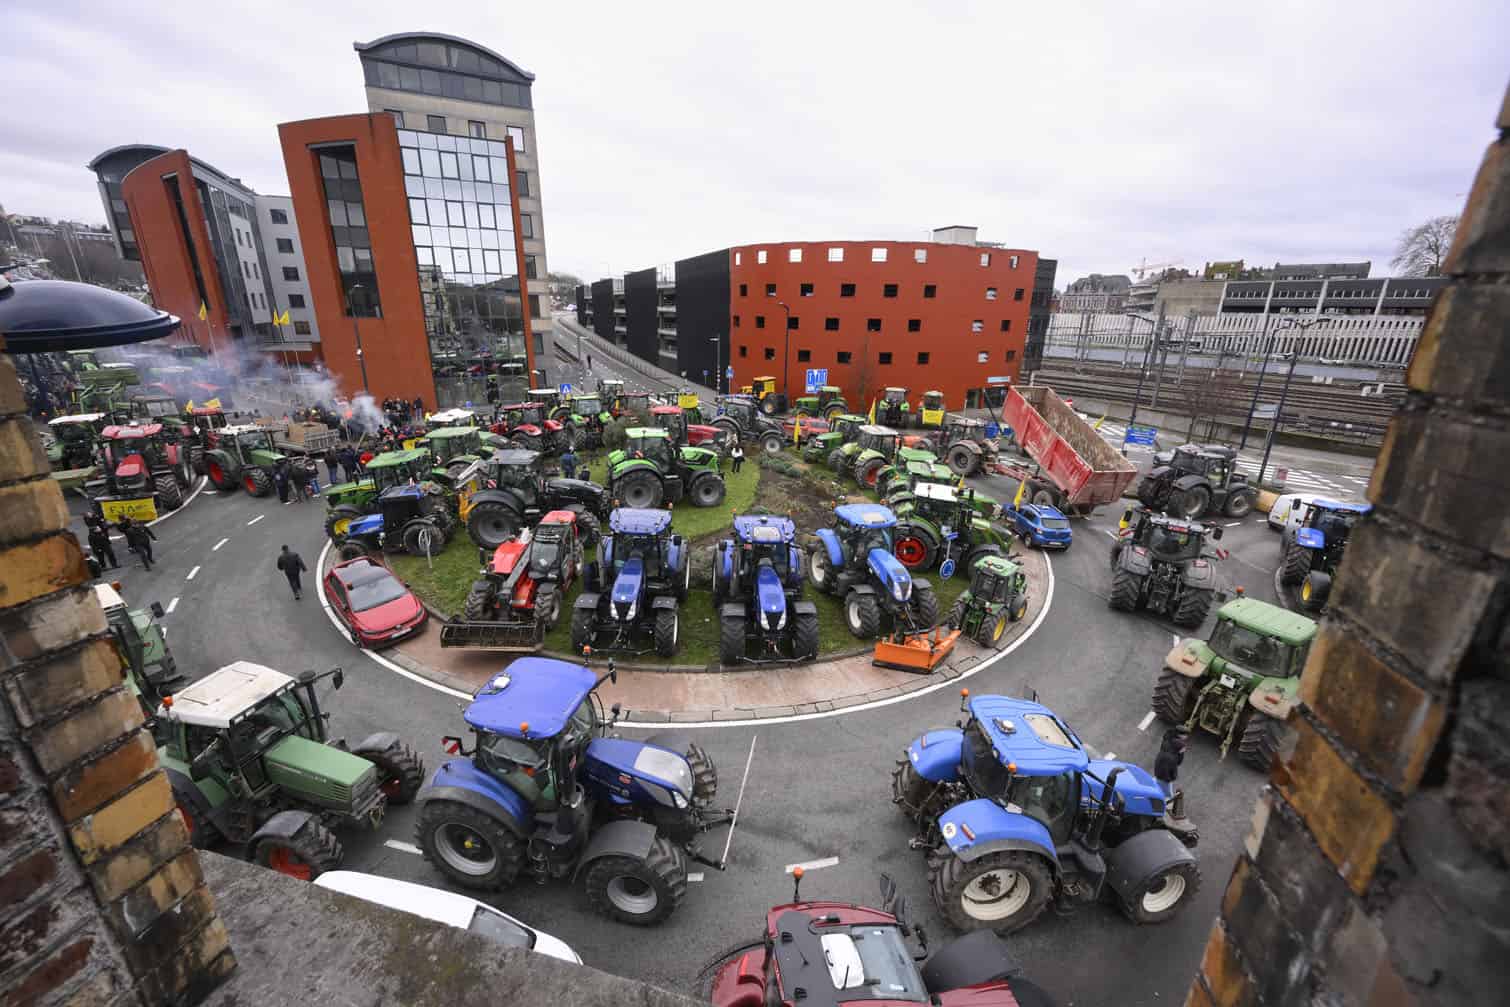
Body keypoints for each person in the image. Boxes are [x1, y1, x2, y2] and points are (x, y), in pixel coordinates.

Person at [1153, 727, 1189, 799]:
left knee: (1157, 781)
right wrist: (1181, 753)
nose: (1187, 737)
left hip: (1159, 764)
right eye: (1186, 735)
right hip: (1166, 773)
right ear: (1181, 735)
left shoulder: (1167, 738)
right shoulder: (1180, 746)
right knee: (1168, 794)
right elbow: (1178, 762)